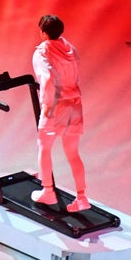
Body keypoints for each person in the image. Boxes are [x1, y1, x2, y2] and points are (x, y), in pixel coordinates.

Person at [29, 14, 91, 212]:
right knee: (73, 152)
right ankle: (81, 197)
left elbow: (46, 78)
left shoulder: (42, 53)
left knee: (44, 147)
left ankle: (47, 191)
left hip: (56, 105)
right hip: (75, 103)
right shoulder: (70, 49)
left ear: (43, 33)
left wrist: (47, 105)